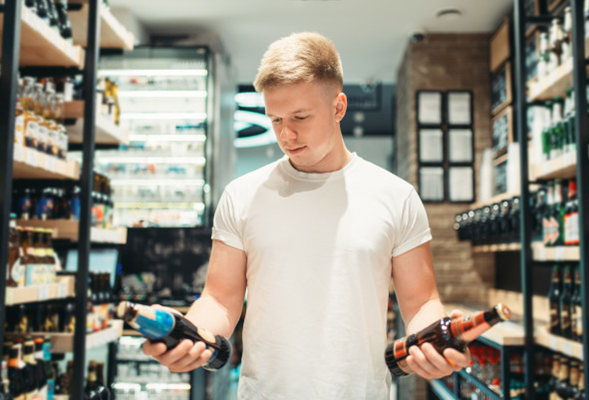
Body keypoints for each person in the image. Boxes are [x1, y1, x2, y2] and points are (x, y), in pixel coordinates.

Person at [142, 32, 471, 399]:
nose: (286, 134)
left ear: (338, 107)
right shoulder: (242, 196)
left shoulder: (396, 197)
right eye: (276, 119)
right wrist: (191, 336)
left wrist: (435, 343)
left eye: (300, 116)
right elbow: (219, 299)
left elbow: (422, 302)